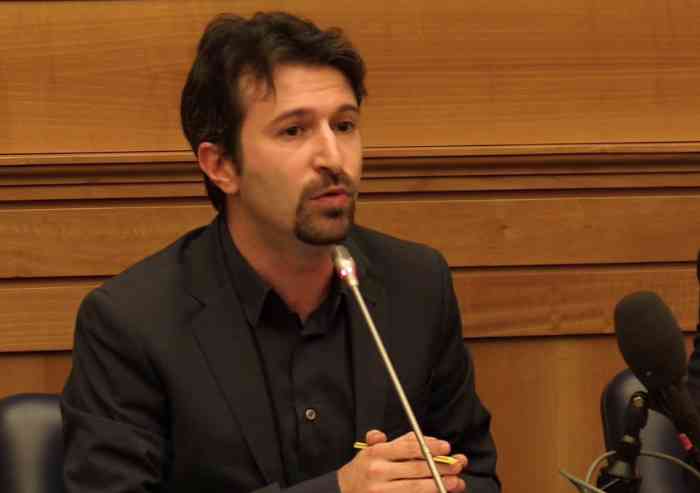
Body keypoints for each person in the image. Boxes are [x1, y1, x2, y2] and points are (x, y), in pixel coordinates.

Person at [61, 11, 499, 493]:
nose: (333, 158)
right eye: (294, 131)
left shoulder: (417, 285)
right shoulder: (132, 323)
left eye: (345, 125)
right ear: (221, 166)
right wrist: (339, 490)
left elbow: (477, 475)